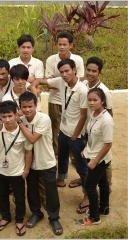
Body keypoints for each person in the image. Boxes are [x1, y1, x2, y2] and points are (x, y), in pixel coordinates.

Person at [40, 59, 88, 212]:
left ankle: (88, 196)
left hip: (76, 135)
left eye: (67, 71)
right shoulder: (62, 82)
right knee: (61, 156)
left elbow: (83, 116)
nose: (65, 74)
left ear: (74, 70)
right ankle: (61, 178)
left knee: (81, 165)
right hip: (63, 130)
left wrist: (75, 135)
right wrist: (33, 83)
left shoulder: (82, 90)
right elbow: (44, 81)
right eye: (62, 72)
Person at [17, 92, 63, 235]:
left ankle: (54, 217)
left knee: (51, 191)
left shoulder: (44, 119)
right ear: (20, 107)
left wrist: (19, 123)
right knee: (31, 190)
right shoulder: (21, 119)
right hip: (29, 163)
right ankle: (36, 213)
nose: (27, 110)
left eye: (30, 106)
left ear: (36, 105)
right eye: (24, 107)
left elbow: (32, 139)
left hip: (46, 161)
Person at [0, 101, 32, 236]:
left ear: (16, 115)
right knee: (2, 196)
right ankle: (5, 217)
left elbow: (28, 152)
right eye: (4, 117)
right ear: (0, 117)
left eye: (10, 116)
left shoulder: (23, 131)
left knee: (19, 197)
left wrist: (26, 170)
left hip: (17, 171)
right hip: (0, 170)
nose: (7, 120)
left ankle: (19, 220)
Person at [45, 31, 84, 162]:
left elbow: (81, 79)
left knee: (75, 128)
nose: (61, 47)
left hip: (74, 100)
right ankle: (58, 155)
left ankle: (74, 156)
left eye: (64, 44)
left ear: (71, 45)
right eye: (59, 44)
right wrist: (66, 81)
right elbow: (48, 84)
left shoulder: (78, 60)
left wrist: (60, 81)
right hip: (55, 100)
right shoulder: (51, 60)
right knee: (56, 130)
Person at [78, 88, 113, 226]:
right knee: (103, 183)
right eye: (90, 100)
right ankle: (104, 208)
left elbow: (108, 144)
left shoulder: (106, 120)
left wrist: (95, 161)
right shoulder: (93, 114)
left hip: (99, 159)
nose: (91, 103)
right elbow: (91, 134)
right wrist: (86, 149)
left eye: (95, 100)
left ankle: (94, 217)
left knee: (90, 186)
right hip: (92, 153)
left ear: (102, 101)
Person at [84, 56, 113, 191]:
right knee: (90, 157)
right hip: (90, 128)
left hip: (100, 130)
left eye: (94, 71)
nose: (90, 73)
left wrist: (103, 130)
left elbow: (109, 114)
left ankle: (106, 187)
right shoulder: (85, 85)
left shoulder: (104, 91)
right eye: (88, 70)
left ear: (99, 72)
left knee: (103, 160)